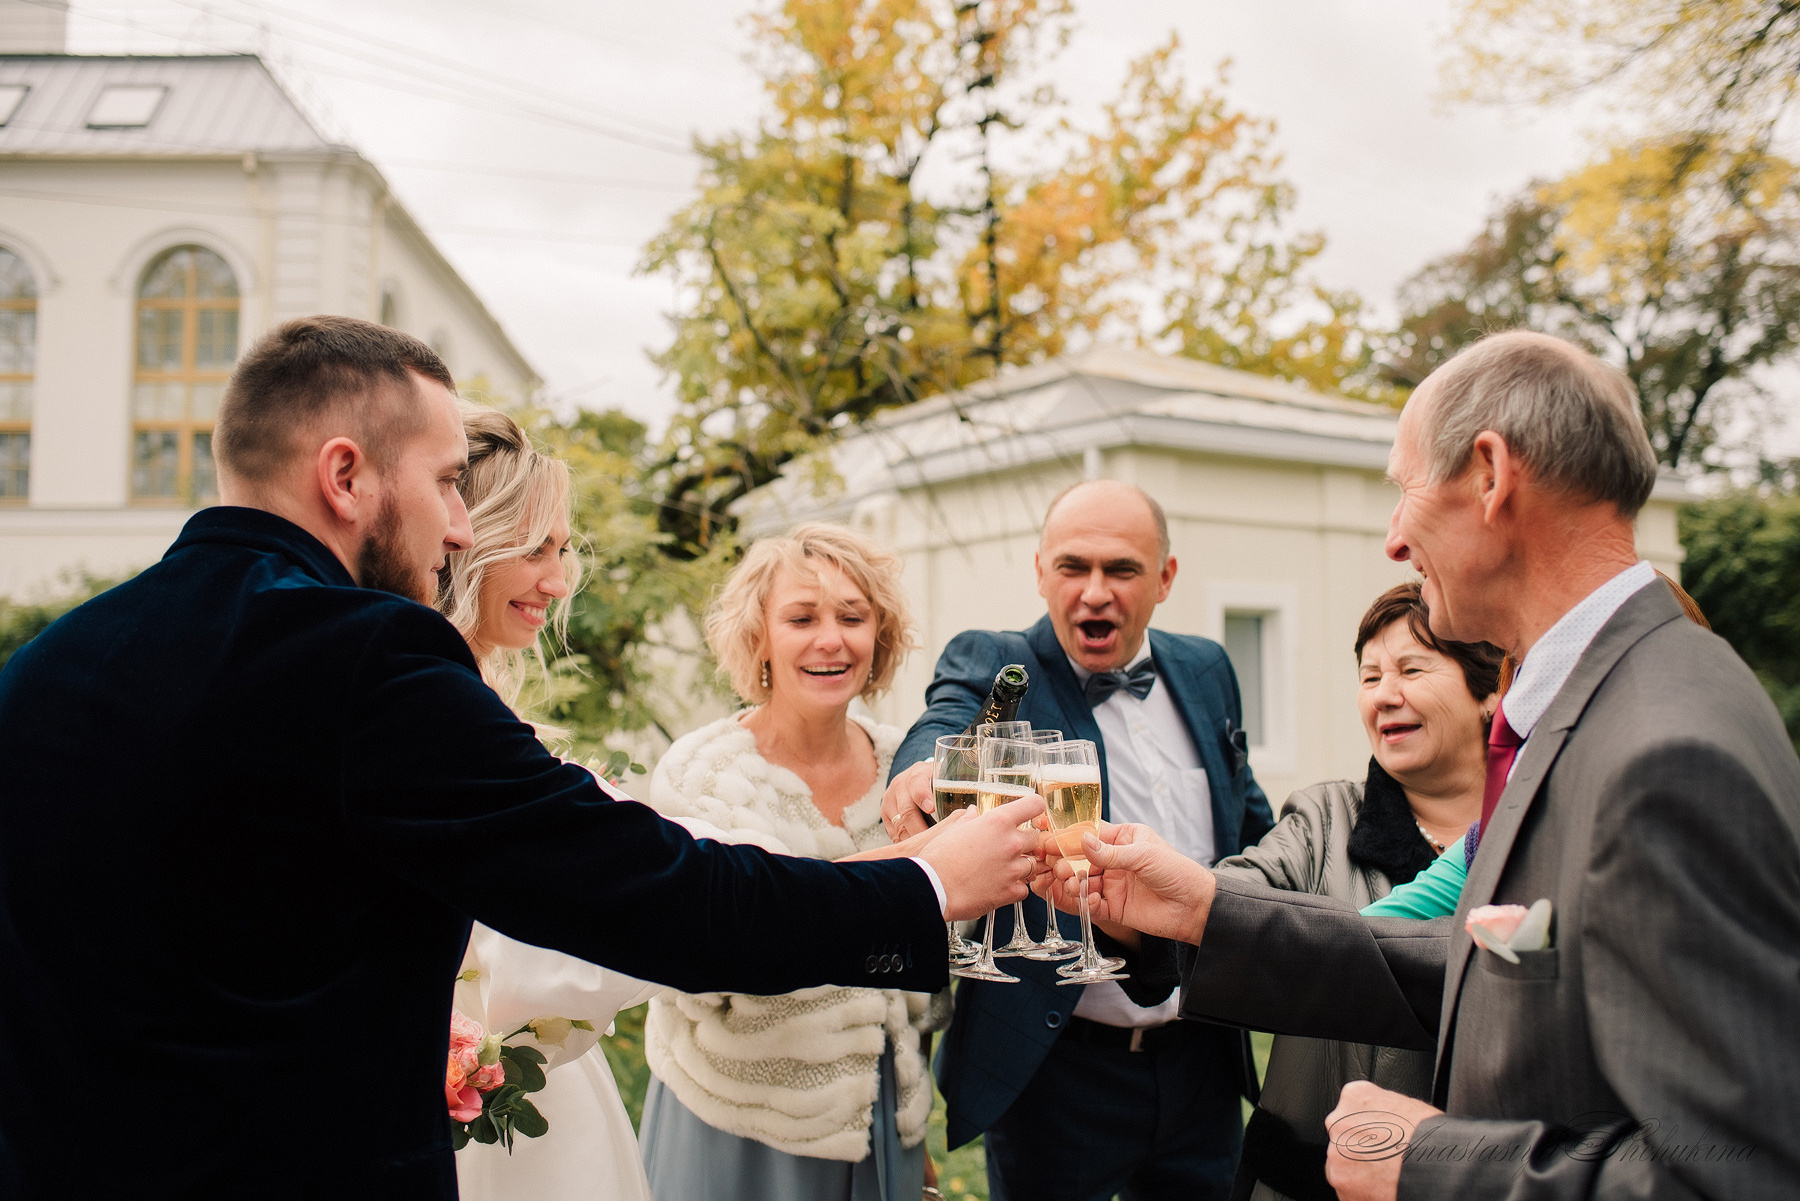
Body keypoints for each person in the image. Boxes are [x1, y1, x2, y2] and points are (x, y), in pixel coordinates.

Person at [0, 316, 1046, 1200]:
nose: (462, 528)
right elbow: (650, 892)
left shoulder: (48, 666)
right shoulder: (369, 660)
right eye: (448, 483)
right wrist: (922, 889)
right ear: (345, 476)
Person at [1050, 331, 1800, 1200]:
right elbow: (1483, 969)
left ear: (1490, 474)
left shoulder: (1664, 749)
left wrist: (1432, 1161)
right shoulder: (1594, 708)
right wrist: (1204, 909)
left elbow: (1738, 1169)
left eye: (1403, 491)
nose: (1394, 539)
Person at [881, 478, 1274, 1201]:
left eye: (1121, 569)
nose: (1095, 592)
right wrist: (923, 769)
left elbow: (1251, 824)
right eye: (1072, 567)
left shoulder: (1208, 669)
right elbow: (948, 718)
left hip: (1202, 1061)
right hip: (1057, 1068)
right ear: (1041, 572)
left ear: (1165, 577)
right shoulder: (998, 660)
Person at [636, 523, 945, 1201]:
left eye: (852, 617)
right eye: (802, 618)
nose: (831, 639)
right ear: (760, 637)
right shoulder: (703, 777)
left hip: (884, 1127)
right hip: (737, 1128)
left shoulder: (909, 769)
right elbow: (692, 972)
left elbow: (935, 965)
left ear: (880, 634)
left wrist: (905, 1114)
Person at [432, 406, 658, 1201]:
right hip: (483, 1110)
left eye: (562, 549)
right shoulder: (433, 717)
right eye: (534, 549)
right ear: (464, 540)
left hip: (550, 1099)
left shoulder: (479, 701)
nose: (559, 582)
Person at [1212, 581, 1500, 1201]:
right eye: (1370, 677)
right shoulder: (1324, 819)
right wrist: (1160, 900)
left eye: (1411, 670)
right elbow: (1231, 902)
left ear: (1490, 691)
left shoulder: (1540, 832)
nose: (1384, 695)